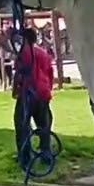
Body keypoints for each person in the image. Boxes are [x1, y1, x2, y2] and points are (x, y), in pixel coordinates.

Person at [12, 27, 55, 168]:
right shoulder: (43, 53)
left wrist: (15, 90)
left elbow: (18, 73)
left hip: (28, 92)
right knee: (44, 125)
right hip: (43, 92)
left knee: (21, 124)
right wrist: (48, 89)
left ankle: (24, 157)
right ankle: (46, 154)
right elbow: (50, 72)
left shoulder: (23, 53)